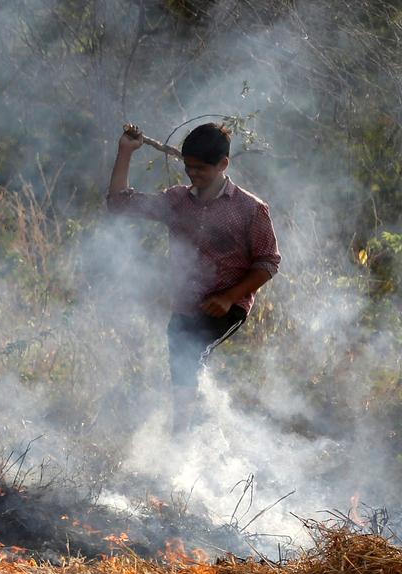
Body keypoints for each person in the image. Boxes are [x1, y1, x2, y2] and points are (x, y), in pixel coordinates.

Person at [107, 123, 281, 434]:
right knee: (181, 366)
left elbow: (268, 262)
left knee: (189, 356)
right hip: (186, 305)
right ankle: (189, 436)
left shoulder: (250, 209)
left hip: (229, 306)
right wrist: (125, 151)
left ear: (223, 165)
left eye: (201, 169)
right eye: (188, 168)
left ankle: (191, 438)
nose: (193, 175)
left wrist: (229, 298)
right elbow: (119, 204)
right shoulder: (177, 200)